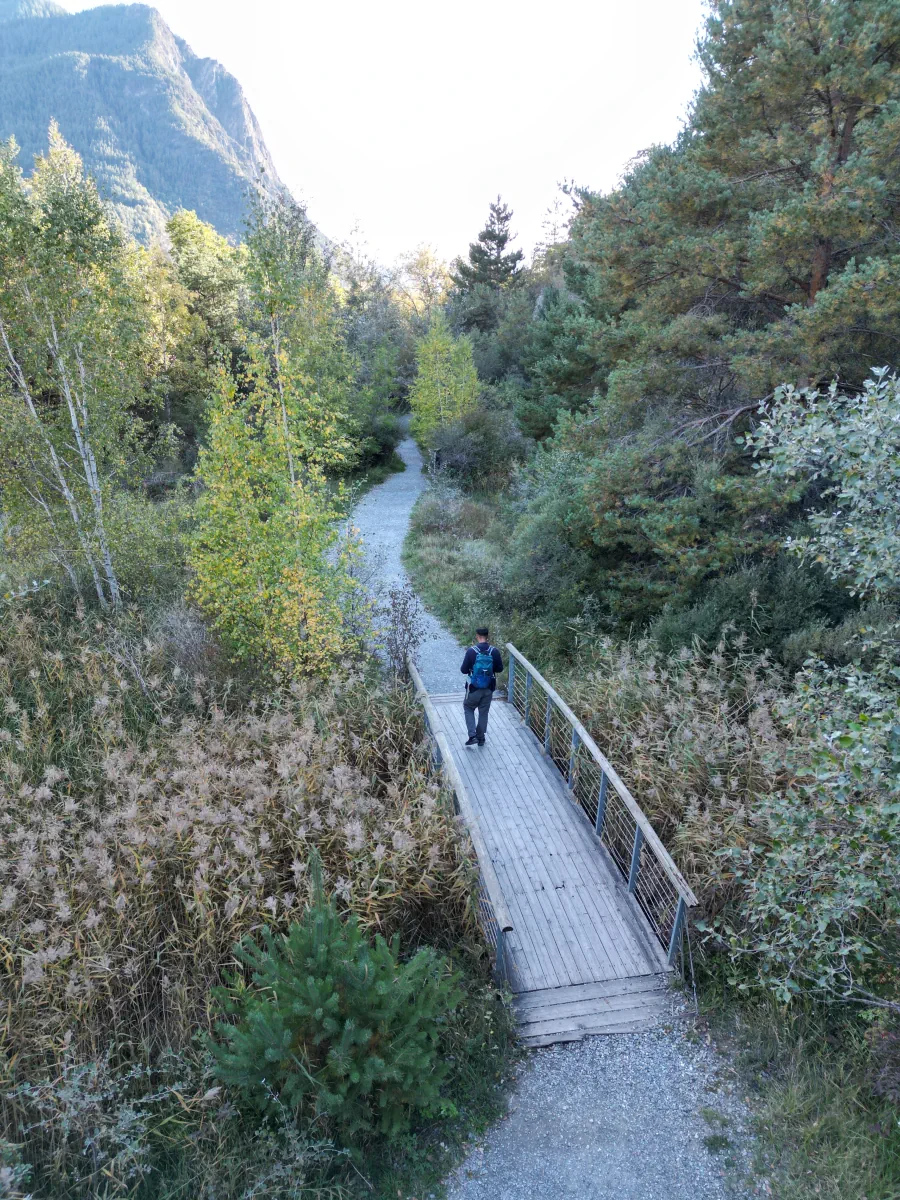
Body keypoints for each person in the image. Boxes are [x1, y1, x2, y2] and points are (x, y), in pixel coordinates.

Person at [460, 628, 504, 748]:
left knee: (468, 707)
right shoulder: (494, 651)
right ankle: (481, 738)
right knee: (483, 712)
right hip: (489, 687)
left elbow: (463, 670)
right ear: (487, 636)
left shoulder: (471, 651)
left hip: (474, 687)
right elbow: (500, 669)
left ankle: (472, 735)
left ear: (477, 636)